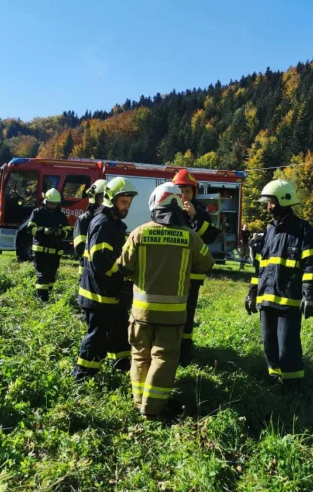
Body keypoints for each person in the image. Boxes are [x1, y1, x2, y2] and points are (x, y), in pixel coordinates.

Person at [117, 182, 215, 419]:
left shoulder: (139, 233)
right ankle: (152, 409)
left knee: (140, 355)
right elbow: (207, 263)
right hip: (173, 314)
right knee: (164, 357)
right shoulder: (189, 236)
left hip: (141, 312)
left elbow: (123, 266)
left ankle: (139, 400)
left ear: (155, 203)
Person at [244, 179, 313, 393]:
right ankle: (275, 384)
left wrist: (309, 296)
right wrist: (252, 293)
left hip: (289, 301)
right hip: (266, 300)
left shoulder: (303, 230)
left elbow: (310, 266)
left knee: (288, 349)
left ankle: (293, 389)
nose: (268, 206)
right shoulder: (268, 231)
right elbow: (261, 267)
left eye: (271, 202)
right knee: (270, 348)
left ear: (285, 200)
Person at [73, 177, 138, 381]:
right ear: (111, 200)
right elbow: (100, 261)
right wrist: (124, 271)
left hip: (111, 292)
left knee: (119, 330)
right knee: (98, 336)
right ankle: (83, 375)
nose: (127, 207)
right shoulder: (103, 224)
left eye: (129, 203)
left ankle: (122, 364)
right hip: (98, 294)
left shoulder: (115, 223)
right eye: (123, 202)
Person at [171, 168, 222, 365]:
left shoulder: (200, 212)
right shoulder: (169, 210)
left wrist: (194, 216)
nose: (184, 195)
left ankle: (184, 354)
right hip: (172, 272)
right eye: (180, 190)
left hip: (192, 275)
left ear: (194, 193)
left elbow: (209, 237)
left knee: (187, 315)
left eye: (188, 191)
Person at [23, 188, 71, 302]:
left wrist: (60, 232)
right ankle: (42, 301)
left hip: (55, 253)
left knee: (51, 278)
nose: (52, 206)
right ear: (45, 201)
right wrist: (42, 230)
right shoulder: (37, 213)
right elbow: (30, 229)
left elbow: (67, 232)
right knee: (42, 276)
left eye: (54, 204)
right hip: (40, 252)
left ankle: (47, 298)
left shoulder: (61, 216)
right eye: (50, 203)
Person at [73, 179, 109, 277]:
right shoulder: (84, 220)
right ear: (94, 197)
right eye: (102, 197)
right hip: (87, 272)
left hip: (106, 273)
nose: (105, 200)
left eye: (107, 197)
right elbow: (79, 248)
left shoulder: (112, 220)